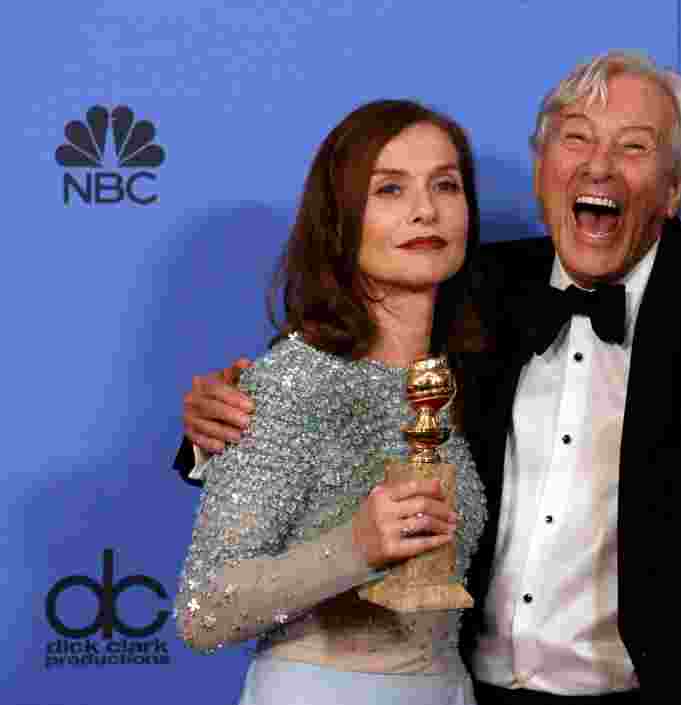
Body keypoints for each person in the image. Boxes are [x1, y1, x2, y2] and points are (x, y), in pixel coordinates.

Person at [176, 52, 681, 704]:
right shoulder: (472, 287)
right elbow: (340, 377)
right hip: (477, 692)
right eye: (576, 140)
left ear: (674, 190)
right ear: (544, 171)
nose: (599, 165)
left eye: (635, 147)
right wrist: (220, 424)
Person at [174, 99, 491, 705]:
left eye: (445, 186)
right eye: (390, 190)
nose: (425, 210)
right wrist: (356, 548)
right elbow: (203, 611)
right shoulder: (291, 382)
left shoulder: (461, 379)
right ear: (340, 218)